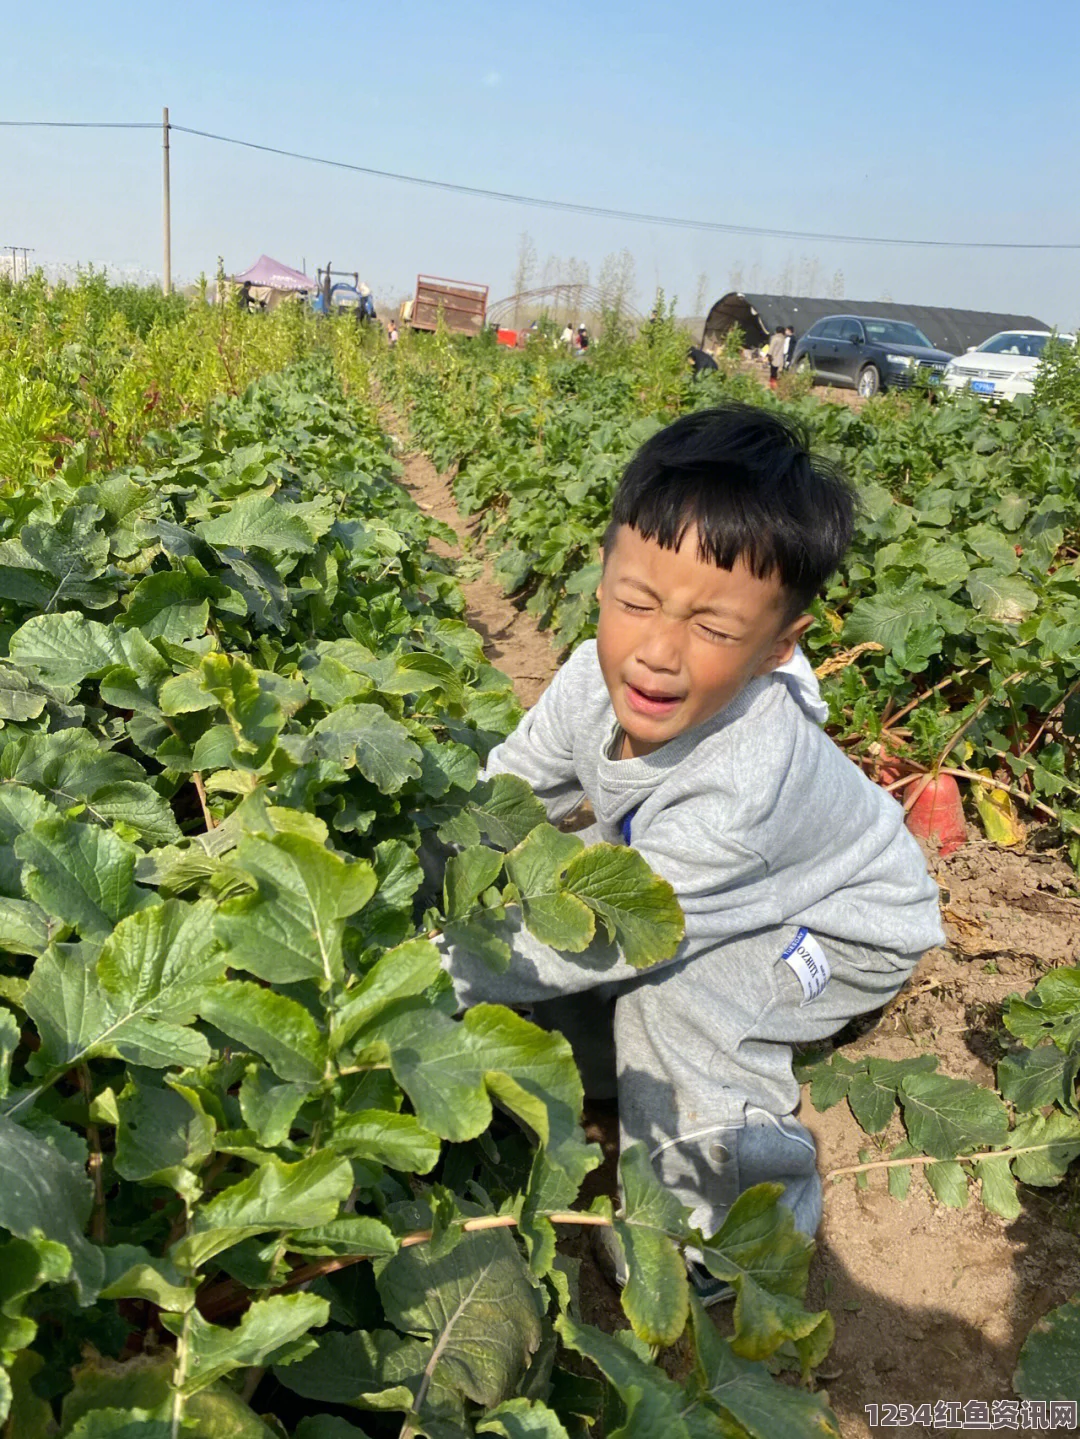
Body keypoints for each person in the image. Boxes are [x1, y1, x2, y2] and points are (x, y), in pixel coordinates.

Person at [437, 404, 943, 1300]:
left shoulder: (747, 780)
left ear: (774, 650)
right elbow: (504, 798)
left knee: (687, 992)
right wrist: (422, 894)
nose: (658, 653)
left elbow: (603, 937)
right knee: (580, 913)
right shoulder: (590, 679)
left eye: (714, 629)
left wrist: (425, 975)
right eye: (636, 602)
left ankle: (730, 1231)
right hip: (696, 884)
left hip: (838, 928)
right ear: (602, 580)